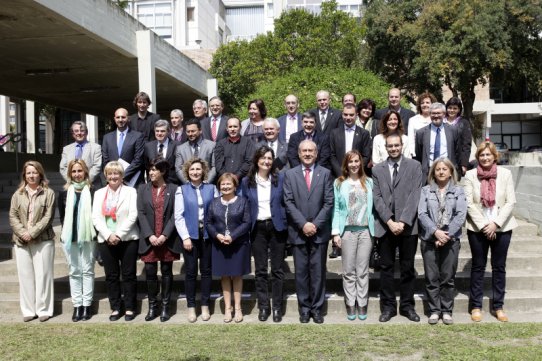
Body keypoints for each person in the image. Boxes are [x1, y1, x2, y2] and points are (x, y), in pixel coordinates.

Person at [464, 141, 517, 322]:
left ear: (495, 156)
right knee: (478, 267)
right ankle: (476, 306)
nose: (485, 158)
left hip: (502, 227)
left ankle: (498, 306)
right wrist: (484, 226)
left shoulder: (506, 174)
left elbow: (511, 202)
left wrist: (495, 224)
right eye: (481, 155)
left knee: (499, 267)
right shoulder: (470, 175)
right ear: (477, 158)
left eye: (488, 155)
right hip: (478, 228)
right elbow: (469, 203)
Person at [372, 133, 422, 323]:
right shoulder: (378, 169)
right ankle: (388, 307)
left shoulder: (414, 166)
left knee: (408, 268)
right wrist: (390, 221)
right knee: (386, 268)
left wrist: (403, 221)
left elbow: (415, 195)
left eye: (396, 145)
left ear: (402, 146)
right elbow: (376, 198)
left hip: (408, 227)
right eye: (390, 146)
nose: (393, 149)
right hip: (386, 227)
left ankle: (407, 307)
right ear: (385, 147)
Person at [284, 140, 334, 323]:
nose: (307, 154)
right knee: (301, 273)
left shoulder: (326, 173)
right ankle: (304, 309)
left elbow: (329, 202)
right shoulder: (290, 175)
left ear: (316, 153)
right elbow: (288, 202)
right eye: (304, 150)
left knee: (318, 272)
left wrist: (315, 224)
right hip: (298, 232)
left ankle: (317, 309)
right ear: (298, 153)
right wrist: (303, 224)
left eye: (310, 151)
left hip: (319, 232)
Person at [241, 145, 288, 323]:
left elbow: (285, 202)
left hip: (276, 227)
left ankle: (277, 307)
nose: (266, 161)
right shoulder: (247, 182)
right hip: (257, 228)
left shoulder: (280, 178)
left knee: (277, 270)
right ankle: (263, 307)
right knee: (260, 270)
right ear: (257, 160)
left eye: (269, 158)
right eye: (263, 158)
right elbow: (244, 205)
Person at [418, 158, 467, 325]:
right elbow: (422, 214)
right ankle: (434, 310)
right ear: (433, 172)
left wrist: (445, 235)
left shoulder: (458, 191)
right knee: (432, 277)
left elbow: (460, 215)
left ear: (450, 172)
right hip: (429, 239)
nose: (441, 172)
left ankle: (446, 310)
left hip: (451, 240)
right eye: (438, 169)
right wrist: (436, 232)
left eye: (444, 169)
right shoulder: (425, 191)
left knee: (447, 277)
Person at [92, 161, 139, 321]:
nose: (113, 176)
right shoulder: (99, 193)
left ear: (122, 175)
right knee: (111, 275)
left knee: (128, 274)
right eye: (110, 174)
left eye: (116, 173)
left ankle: (130, 307)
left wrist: (118, 234)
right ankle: (116, 307)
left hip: (127, 238)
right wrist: (108, 235)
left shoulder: (131, 192)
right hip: (106, 239)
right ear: (105, 176)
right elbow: (96, 217)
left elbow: (133, 215)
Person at [9, 161, 55, 322]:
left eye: (34, 172)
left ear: (40, 174)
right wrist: (23, 233)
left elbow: (48, 218)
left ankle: (44, 309)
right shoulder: (18, 194)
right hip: (22, 241)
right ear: (24, 175)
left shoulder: (48, 193)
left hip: (43, 240)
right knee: (25, 276)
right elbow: (12, 216)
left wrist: (32, 232)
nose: (31, 175)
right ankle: (28, 310)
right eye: (28, 173)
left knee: (43, 276)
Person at [331, 150, 374, 321]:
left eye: (357, 161)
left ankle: (362, 303)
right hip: (347, 231)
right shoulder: (339, 183)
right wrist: (335, 233)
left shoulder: (369, 182)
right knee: (349, 270)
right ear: (346, 165)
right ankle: (350, 302)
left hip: (365, 231)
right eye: (351, 162)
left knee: (362, 270)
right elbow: (335, 208)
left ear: (361, 163)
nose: (354, 164)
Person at [174, 158, 218, 323]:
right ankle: (191, 307)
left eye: (198, 169)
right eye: (192, 169)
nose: (195, 172)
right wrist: (185, 237)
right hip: (190, 236)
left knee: (206, 272)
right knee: (191, 273)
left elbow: (216, 212)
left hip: (207, 236)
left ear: (203, 171)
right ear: (187, 172)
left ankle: (205, 305)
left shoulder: (212, 188)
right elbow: (179, 216)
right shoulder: (182, 190)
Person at [137, 158, 180, 322]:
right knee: (150, 272)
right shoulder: (143, 189)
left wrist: (164, 235)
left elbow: (176, 214)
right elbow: (140, 213)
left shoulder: (174, 189)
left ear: (162, 171)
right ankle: (152, 306)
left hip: (166, 239)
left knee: (167, 272)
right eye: (150, 170)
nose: (151, 172)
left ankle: (165, 307)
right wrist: (150, 235)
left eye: (154, 170)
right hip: (150, 239)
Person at [206, 173, 251, 323]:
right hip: (220, 244)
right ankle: (228, 308)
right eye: (222, 184)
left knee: (237, 275)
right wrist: (217, 235)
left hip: (238, 244)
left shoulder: (243, 202)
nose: (225, 187)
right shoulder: (213, 203)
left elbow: (246, 223)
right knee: (224, 276)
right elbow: (208, 223)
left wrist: (233, 236)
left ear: (235, 186)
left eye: (228, 184)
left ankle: (238, 308)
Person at [58, 159, 96, 322]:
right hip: (70, 236)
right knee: (74, 271)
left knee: (87, 270)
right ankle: (77, 305)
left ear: (85, 172)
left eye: (80, 171)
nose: (77, 174)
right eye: (74, 171)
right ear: (69, 174)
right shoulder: (64, 193)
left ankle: (87, 305)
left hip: (89, 236)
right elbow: (61, 217)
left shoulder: (93, 191)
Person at [414, 102, 463, 183]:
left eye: (438, 113)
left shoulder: (453, 130)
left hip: (448, 172)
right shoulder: (421, 133)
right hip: (428, 173)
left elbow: (458, 152)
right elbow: (419, 155)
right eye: (433, 113)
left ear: (444, 114)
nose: (436, 116)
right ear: (429, 114)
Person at [102, 107, 145, 187]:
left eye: (123, 117)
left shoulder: (138, 136)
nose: (120, 120)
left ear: (128, 118)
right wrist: (114, 176)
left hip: (132, 182)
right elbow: (105, 160)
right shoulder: (107, 138)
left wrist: (122, 176)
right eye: (118, 117)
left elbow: (138, 160)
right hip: (113, 182)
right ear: (114, 119)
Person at [59, 120, 102, 188]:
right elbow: (63, 168)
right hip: (72, 186)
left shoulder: (96, 147)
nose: (79, 133)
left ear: (86, 132)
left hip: (91, 185)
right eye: (76, 131)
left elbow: (97, 167)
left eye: (82, 130)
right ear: (73, 133)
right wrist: (72, 181)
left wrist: (84, 182)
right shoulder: (66, 149)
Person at [175, 118, 217, 184]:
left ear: (200, 130)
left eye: (193, 131)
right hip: (188, 186)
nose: (190, 134)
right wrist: (188, 183)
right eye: (188, 131)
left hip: (207, 185)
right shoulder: (180, 149)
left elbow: (214, 167)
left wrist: (206, 182)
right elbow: (178, 168)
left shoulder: (211, 146)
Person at [215, 117, 255, 181]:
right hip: (225, 181)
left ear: (240, 128)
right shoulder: (220, 144)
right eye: (230, 127)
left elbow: (249, 161)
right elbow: (218, 164)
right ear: (227, 129)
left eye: (235, 126)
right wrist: (228, 178)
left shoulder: (248, 142)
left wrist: (237, 176)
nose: (232, 129)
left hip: (243, 181)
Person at [144, 119, 180, 184]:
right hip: (153, 184)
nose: (159, 133)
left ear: (168, 131)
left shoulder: (177, 146)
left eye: (162, 131)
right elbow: (147, 166)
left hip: (171, 184)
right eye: (157, 131)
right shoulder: (148, 146)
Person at [445, 97, 472, 176]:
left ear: (459, 110)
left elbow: (466, 144)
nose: (452, 110)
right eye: (450, 108)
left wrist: (464, 164)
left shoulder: (464, 123)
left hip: (457, 161)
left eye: (455, 108)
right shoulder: (442, 121)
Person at [408, 92, 437, 157]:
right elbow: (411, 139)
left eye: (427, 102)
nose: (425, 105)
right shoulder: (413, 120)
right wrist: (412, 153)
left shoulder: (436, 119)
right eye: (422, 103)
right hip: (418, 153)